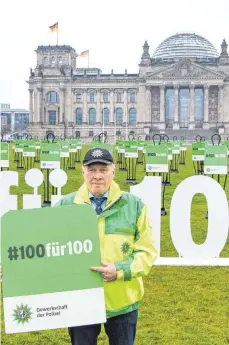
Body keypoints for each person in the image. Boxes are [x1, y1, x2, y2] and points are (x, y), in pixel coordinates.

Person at [55, 148, 158, 345]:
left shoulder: (135, 205)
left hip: (123, 303)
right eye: (92, 170)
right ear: (83, 172)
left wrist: (119, 270)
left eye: (103, 169)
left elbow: (147, 252)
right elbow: (45, 248)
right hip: (81, 301)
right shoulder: (65, 206)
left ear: (113, 172)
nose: (97, 176)